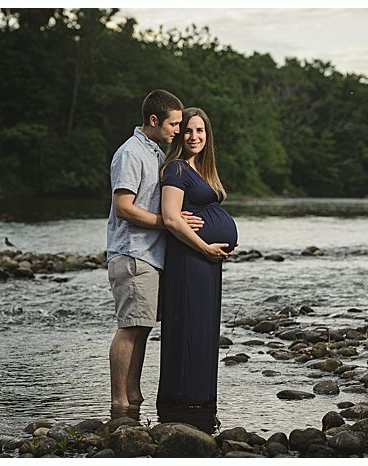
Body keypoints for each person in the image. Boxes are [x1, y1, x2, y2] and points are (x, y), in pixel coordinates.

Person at [106, 90, 204, 415]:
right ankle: (119, 401)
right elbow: (123, 208)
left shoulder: (156, 153)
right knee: (130, 327)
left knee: (142, 327)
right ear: (153, 120)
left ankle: (133, 396)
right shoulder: (131, 153)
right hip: (133, 254)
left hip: (149, 256)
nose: (177, 129)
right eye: (174, 124)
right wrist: (166, 222)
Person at [156, 107, 237, 433]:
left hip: (206, 262)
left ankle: (201, 399)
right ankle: (181, 399)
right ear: (179, 133)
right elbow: (172, 218)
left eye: (200, 131)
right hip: (189, 259)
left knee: (203, 328)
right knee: (188, 325)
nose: (194, 137)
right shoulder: (176, 169)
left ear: (208, 135)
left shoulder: (202, 170)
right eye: (188, 130)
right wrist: (205, 246)